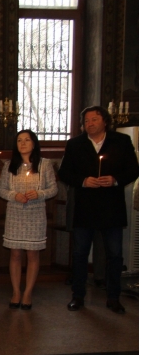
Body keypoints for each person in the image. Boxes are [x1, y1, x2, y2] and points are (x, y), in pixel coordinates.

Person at [58, 106, 139, 314]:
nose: (89, 124)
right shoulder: (75, 144)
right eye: (86, 121)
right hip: (85, 208)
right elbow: (65, 173)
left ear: (105, 121)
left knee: (115, 254)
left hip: (112, 208)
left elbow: (133, 170)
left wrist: (115, 180)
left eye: (94, 119)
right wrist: (83, 181)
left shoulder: (121, 141)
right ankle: (78, 295)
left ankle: (113, 297)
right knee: (80, 253)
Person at [0, 130, 58, 310]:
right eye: (19, 140)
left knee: (32, 254)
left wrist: (39, 194)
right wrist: (14, 195)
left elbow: (53, 189)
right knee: (15, 254)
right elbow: (1, 189)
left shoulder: (45, 165)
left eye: (27, 140)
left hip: (35, 215)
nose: (23, 143)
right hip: (15, 214)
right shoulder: (9, 165)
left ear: (34, 143)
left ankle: (28, 293)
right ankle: (16, 291)